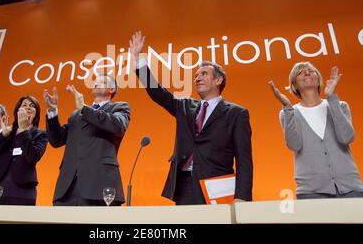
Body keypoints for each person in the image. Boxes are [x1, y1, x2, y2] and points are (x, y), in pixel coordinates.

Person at [129, 31, 253, 205]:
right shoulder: (185, 106)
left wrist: (242, 196)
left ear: (218, 80)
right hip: (184, 184)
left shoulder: (237, 113)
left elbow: (244, 159)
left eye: (203, 74)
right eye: (195, 76)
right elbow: (158, 92)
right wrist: (138, 60)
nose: (197, 78)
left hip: (217, 185)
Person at [269, 62, 363, 199]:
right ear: (294, 85)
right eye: (301, 72)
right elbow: (294, 145)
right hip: (311, 192)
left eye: (311, 71)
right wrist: (287, 107)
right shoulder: (288, 113)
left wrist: (332, 98)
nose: (307, 73)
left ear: (318, 80)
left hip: (350, 187)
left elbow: (347, 138)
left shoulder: (340, 105)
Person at [43, 74, 130, 206]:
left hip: (98, 185)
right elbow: (56, 140)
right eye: (95, 81)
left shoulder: (119, 108)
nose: (96, 83)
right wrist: (52, 111)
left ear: (112, 89)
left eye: (102, 81)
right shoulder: (76, 115)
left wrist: (84, 108)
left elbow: (117, 126)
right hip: (68, 187)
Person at [0, 96, 48, 205]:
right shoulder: (8, 132)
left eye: (32, 106)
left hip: (23, 190)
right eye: (24, 105)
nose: (28, 107)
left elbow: (33, 157)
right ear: (17, 110)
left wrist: (24, 130)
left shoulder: (40, 134)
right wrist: (3, 136)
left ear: (36, 113)